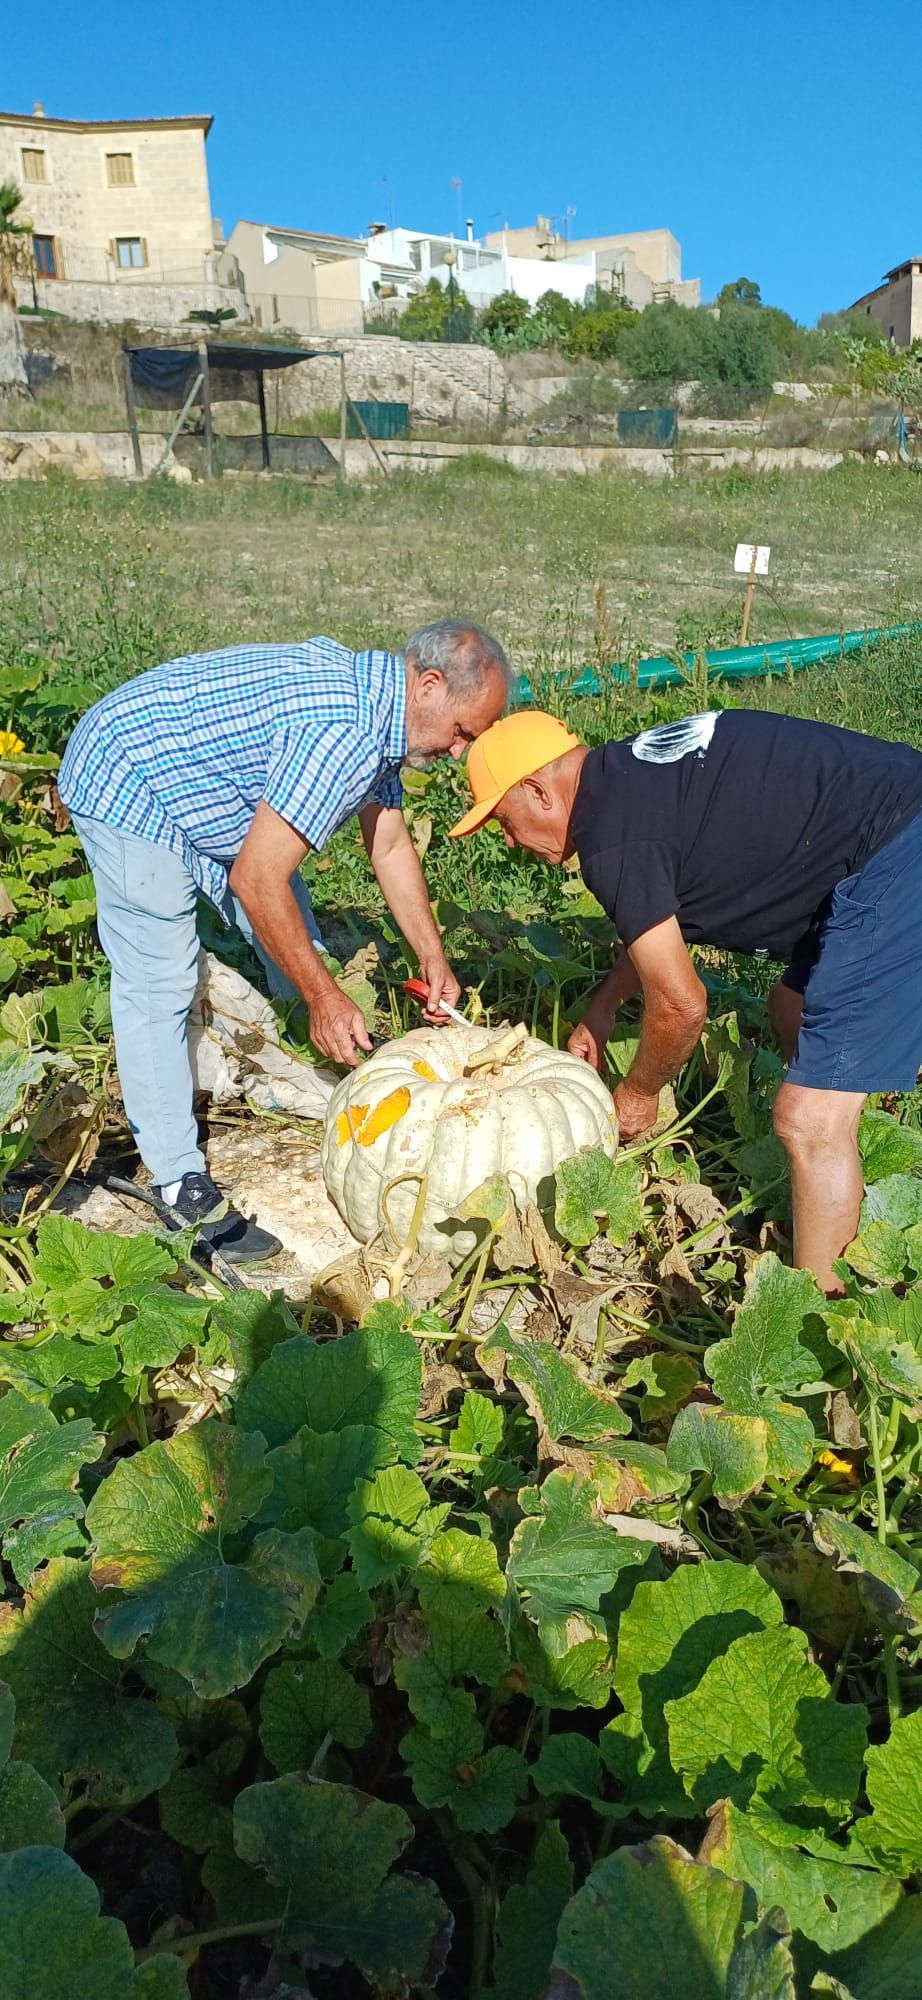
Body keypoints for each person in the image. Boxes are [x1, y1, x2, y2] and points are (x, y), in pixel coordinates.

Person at [59, 621, 510, 1262]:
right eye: (463, 732)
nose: (461, 752)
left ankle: (309, 1043)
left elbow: (387, 843)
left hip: (198, 781)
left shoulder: (387, 717)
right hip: (129, 774)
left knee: (289, 922)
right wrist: (324, 996)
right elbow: (255, 875)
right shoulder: (346, 735)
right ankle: (177, 1183)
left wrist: (432, 957)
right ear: (430, 686)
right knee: (160, 978)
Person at [449, 705, 922, 1294]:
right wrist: (604, 1005)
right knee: (789, 1009)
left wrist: (637, 1094)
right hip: (878, 830)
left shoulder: (612, 838)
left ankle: (827, 1326)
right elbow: (657, 916)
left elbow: (681, 1004)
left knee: (807, 1122)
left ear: (536, 789)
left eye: (502, 819)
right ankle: (851, 1163)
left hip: (899, 851)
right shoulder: (624, 780)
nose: (511, 840)